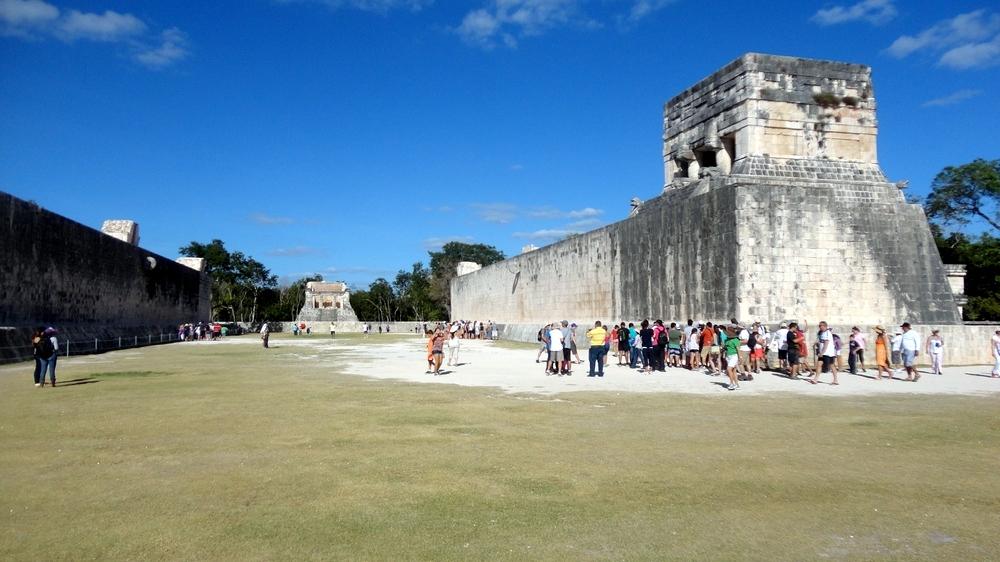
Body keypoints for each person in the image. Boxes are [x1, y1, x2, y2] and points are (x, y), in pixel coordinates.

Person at [809, 321, 838, 386]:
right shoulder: (822, 333)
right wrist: (816, 343)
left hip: (828, 353)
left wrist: (822, 352)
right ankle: (815, 379)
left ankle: (835, 380)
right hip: (823, 353)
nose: (820, 327)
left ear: (825, 326)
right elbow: (820, 341)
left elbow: (826, 343)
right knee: (819, 365)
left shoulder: (827, 333)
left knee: (832, 366)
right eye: (819, 326)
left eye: (821, 325)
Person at [723, 325, 741, 390]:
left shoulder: (736, 340)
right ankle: (737, 385)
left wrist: (740, 358)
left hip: (734, 355)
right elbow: (726, 348)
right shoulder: (727, 339)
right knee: (733, 370)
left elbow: (738, 349)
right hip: (728, 355)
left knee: (729, 369)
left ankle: (731, 383)